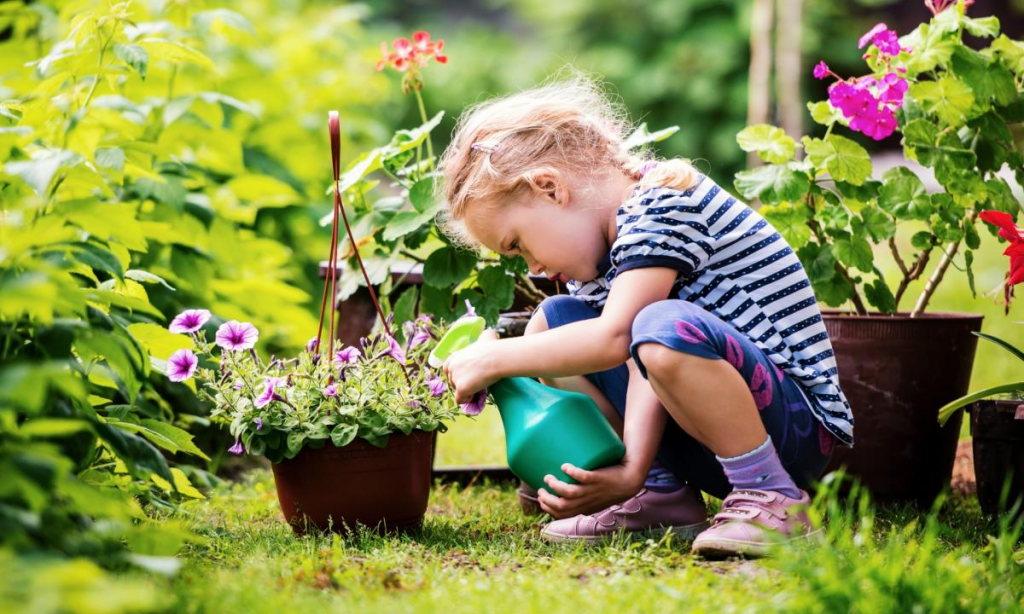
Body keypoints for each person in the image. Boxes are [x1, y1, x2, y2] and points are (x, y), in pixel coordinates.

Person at [435, 71, 853, 558]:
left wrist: (496, 359)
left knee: (659, 326)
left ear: (549, 187)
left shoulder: (664, 203)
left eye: (518, 244)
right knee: (555, 320)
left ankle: (775, 498)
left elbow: (619, 339)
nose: (532, 266)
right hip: (705, 429)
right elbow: (636, 362)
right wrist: (635, 470)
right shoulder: (600, 260)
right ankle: (662, 496)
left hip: (796, 432)